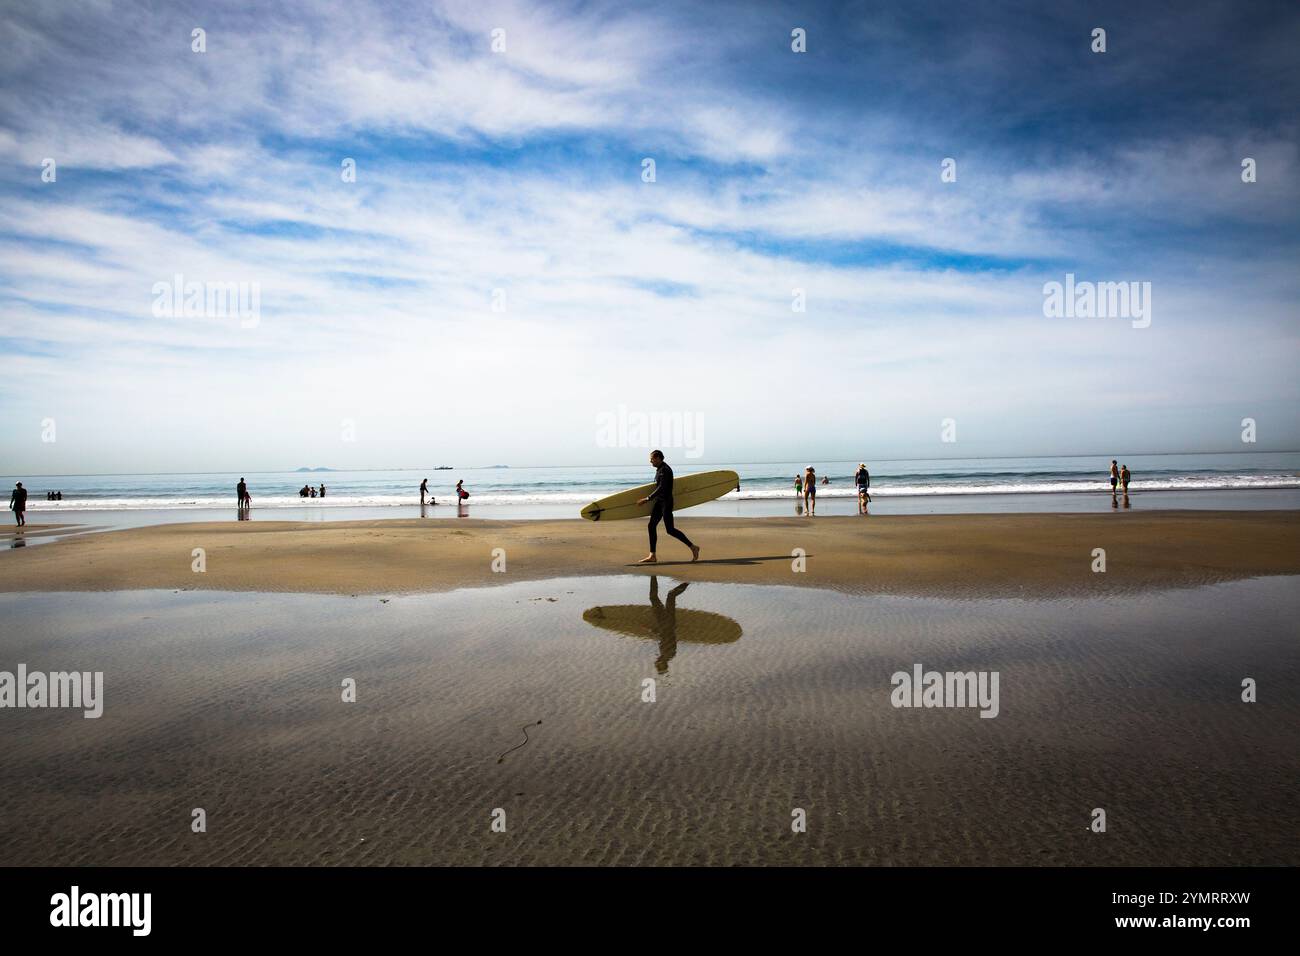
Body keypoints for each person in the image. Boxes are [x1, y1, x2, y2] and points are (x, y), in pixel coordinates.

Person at [636, 450, 700, 564]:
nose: (650, 461)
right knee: (651, 526)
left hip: (666, 503)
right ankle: (652, 555)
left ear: (658, 458)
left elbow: (661, 487)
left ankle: (693, 547)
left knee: (670, 530)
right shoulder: (660, 470)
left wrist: (647, 499)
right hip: (659, 503)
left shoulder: (665, 470)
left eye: (652, 459)